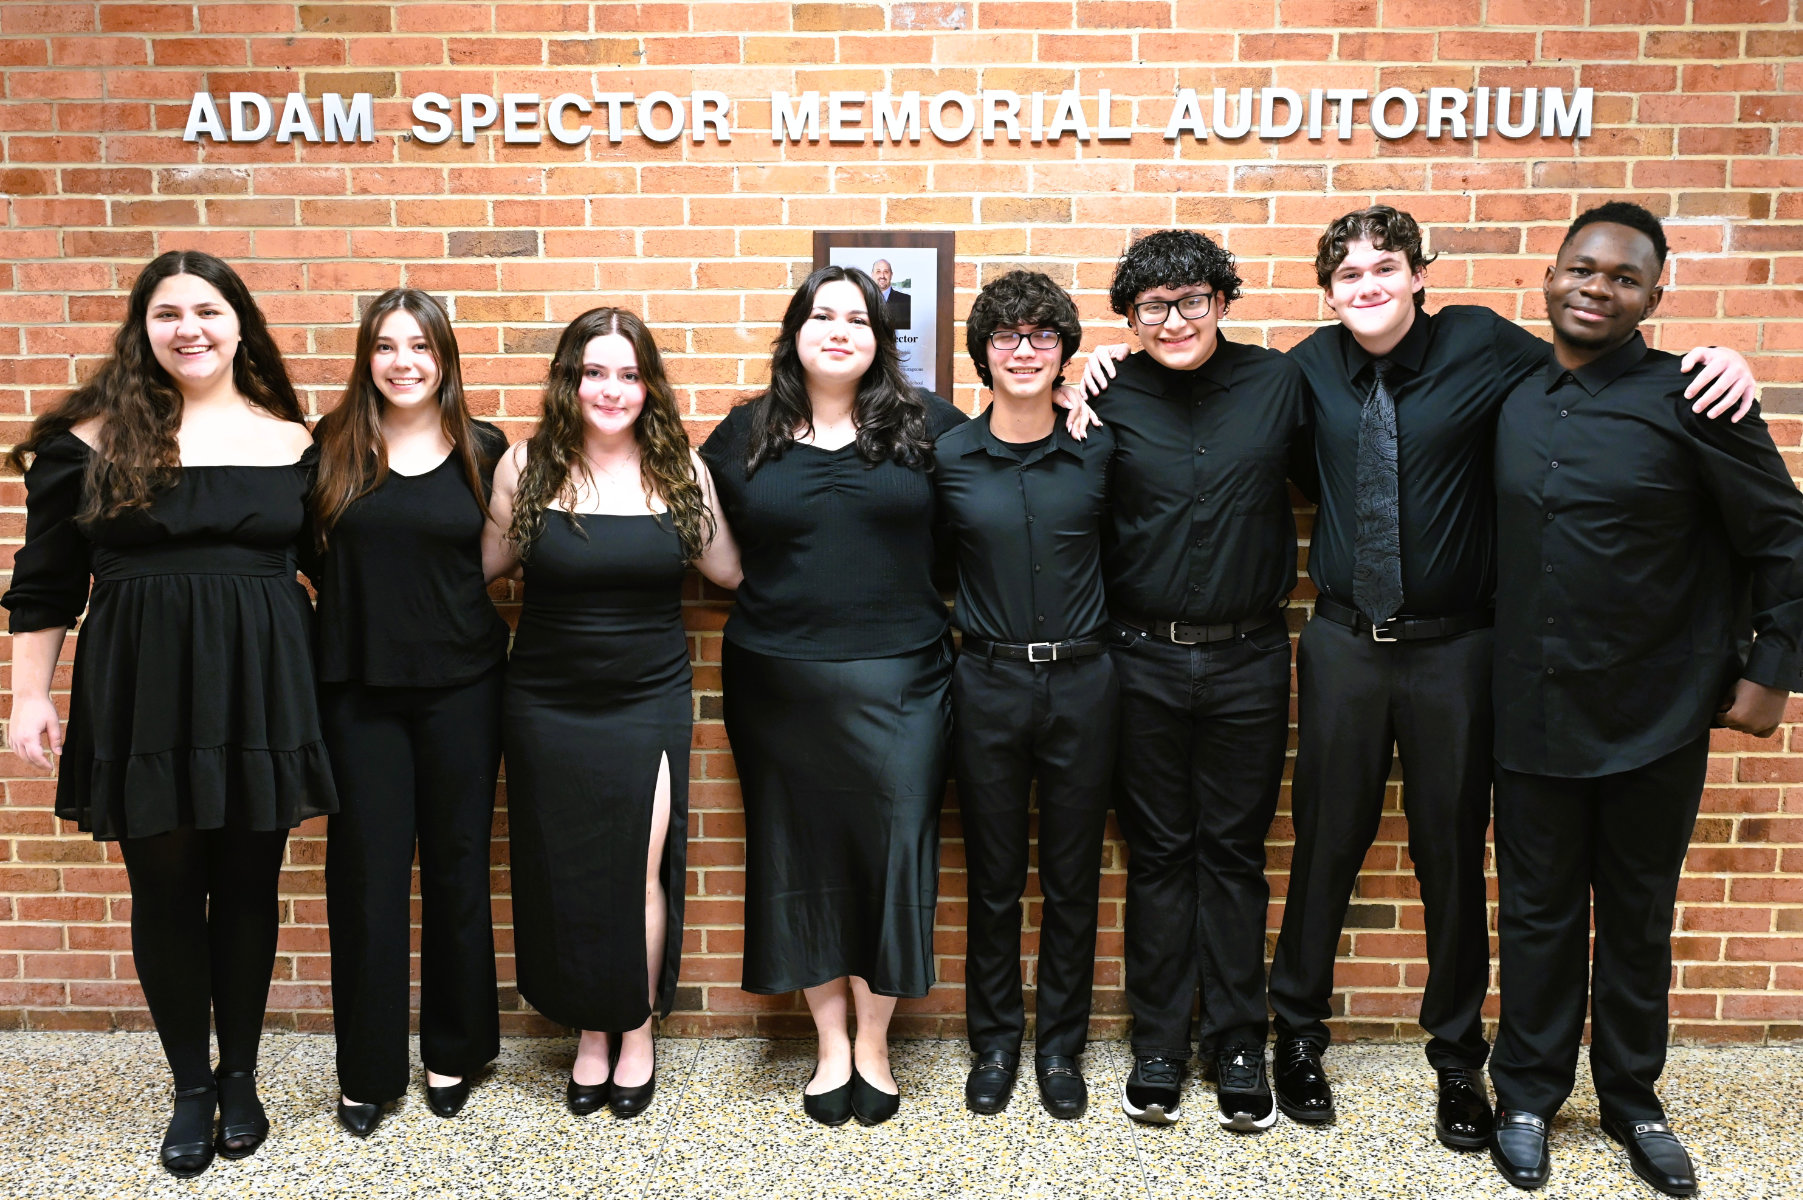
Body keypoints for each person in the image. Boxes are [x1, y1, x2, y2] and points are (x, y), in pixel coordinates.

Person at [1079, 212, 1754, 1143]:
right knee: (1323, 845)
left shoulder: (1484, 343)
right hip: (1342, 646)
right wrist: (1100, 369)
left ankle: (1456, 1061)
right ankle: (1297, 1041)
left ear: (1417, 275)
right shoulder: (1302, 369)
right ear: (1324, 290)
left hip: (1457, 650)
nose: (1365, 284)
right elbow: (1191, 398)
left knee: (1449, 853)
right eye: (1347, 271)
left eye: (1383, 267)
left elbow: (1592, 357)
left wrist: (1711, 358)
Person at [1485, 203, 1803, 1196]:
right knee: (1536, 917)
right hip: (1530, 711)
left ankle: (1633, 1100)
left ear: (1653, 297)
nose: (1596, 287)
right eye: (1581, 268)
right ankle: (1528, 1096)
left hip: (1654, 715)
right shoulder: (1510, 390)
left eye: (1623, 278)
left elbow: (1784, 537)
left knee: (1636, 916)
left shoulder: (1698, 397)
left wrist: (1770, 673)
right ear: (1549, 276)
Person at [2, 251, 336, 1177]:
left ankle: (241, 1076)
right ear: (141, 330)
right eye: (167, 314)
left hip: (264, 685)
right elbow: (44, 587)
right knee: (163, 886)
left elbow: (338, 571)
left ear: (240, 324)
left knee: (247, 884)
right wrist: (29, 697)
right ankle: (191, 1083)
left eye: (207, 310)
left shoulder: (289, 441)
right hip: (142, 685)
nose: (189, 328)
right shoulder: (88, 441)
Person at [700, 265, 966, 1127]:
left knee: (894, 853)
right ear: (795, 331)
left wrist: (1087, 391)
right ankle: (828, 1046)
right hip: (778, 682)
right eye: (823, 315)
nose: (840, 329)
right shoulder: (743, 435)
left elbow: (1007, 483)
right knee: (798, 854)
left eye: (857, 317)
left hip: (905, 680)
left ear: (881, 340)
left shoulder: (931, 427)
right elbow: (703, 534)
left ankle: (877, 1045)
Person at [1073, 230, 1315, 1131]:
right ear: (1129, 319)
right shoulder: (1105, 394)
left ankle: (1238, 1040)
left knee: (1235, 852)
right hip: (1137, 658)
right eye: (1151, 307)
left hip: (1250, 655)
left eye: (1190, 301)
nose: (1172, 320)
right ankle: (1160, 1042)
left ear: (1222, 299)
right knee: (1160, 853)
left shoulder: (1276, 385)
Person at [486, 307, 740, 1119]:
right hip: (545, 704)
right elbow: (478, 569)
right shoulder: (526, 468)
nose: (611, 388)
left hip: (646, 701)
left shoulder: (681, 471)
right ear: (569, 380)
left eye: (629, 373)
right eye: (595, 371)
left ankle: (633, 1030)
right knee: (564, 874)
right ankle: (589, 1034)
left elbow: (731, 573)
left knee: (638, 867)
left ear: (649, 387)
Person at [309, 289, 511, 1137]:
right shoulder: (328, 447)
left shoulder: (483, 447)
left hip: (463, 686)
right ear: (368, 358)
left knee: (460, 868)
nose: (403, 362)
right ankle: (367, 1069)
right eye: (386, 346)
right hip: (358, 691)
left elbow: (501, 555)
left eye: (420, 347)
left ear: (443, 359)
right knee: (366, 876)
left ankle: (453, 1049)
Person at [935, 271, 1114, 1121]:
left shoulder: (1097, 447)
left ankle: (1059, 1049)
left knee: (1073, 878)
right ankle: (996, 1043)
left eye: (1043, 335)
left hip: (1085, 680)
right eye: (1005, 336)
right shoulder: (949, 459)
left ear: (1064, 354)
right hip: (989, 681)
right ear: (982, 354)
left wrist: (1111, 371)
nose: (1023, 350)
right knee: (996, 879)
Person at [872, 259, 912, 330]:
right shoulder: (862, 301)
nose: (882, 276)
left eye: (886, 272)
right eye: (878, 271)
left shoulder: (908, 301)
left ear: (891, 275)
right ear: (872, 275)